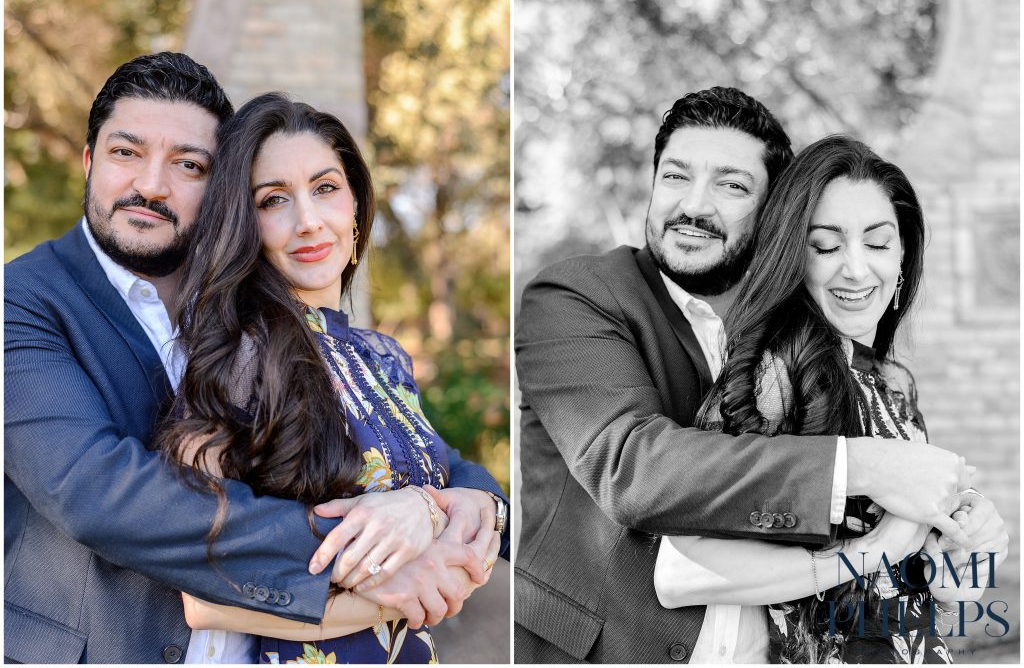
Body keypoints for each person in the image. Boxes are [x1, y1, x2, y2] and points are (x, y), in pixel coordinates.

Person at [4, 53, 509, 664]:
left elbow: (433, 459)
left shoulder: (247, 313)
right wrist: (373, 560)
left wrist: (463, 504)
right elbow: (95, 491)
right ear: (89, 162)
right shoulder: (24, 302)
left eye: (187, 164)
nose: (153, 185)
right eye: (126, 153)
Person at [514, 87, 974, 663]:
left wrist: (962, 544)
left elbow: (916, 583)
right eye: (675, 177)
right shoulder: (578, 297)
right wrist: (866, 473)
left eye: (731, 185)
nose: (694, 206)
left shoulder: (812, 350)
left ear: (772, 213)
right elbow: (632, 469)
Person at [155, 91, 504, 664]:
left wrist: (441, 507)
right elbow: (204, 596)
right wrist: (398, 594)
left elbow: (455, 519)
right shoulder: (239, 358)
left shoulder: (383, 357)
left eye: (325, 188)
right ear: (244, 224)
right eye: (273, 200)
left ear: (356, 206)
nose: (308, 221)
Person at [653, 135, 1008, 663]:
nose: (857, 269)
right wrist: (865, 554)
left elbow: (942, 594)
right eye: (826, 245)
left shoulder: (895, 386)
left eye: (878, 243)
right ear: (794, 257)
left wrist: (973, 547)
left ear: (904, 255)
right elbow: (681, 573)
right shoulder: (776, 372)